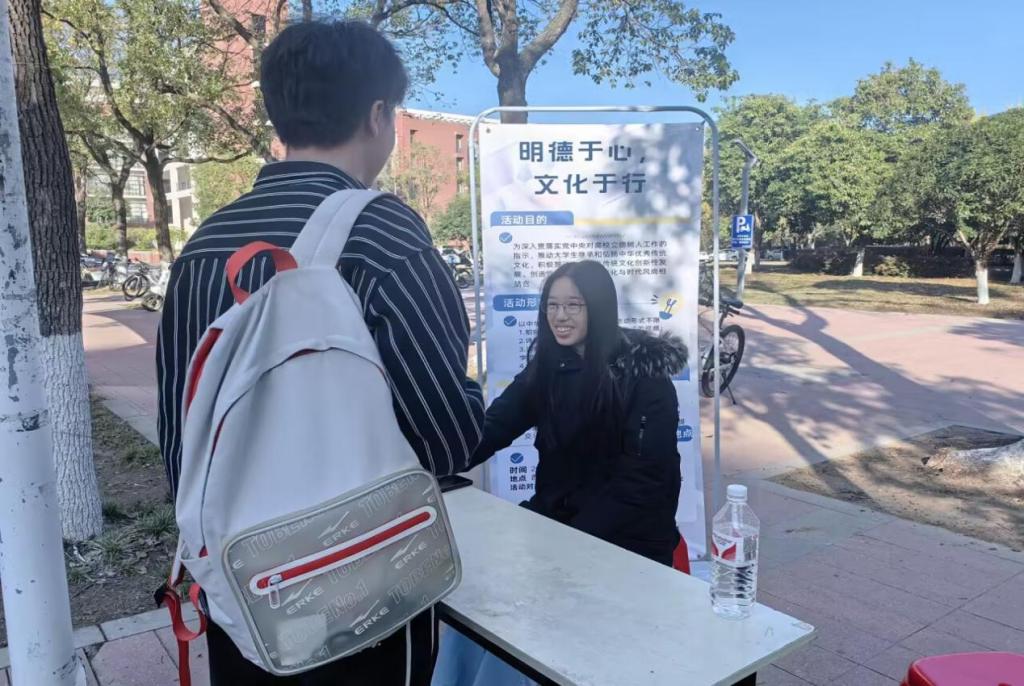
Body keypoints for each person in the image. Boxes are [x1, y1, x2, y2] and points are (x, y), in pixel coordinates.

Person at [155, 20, 485, 686]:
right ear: (377, 116)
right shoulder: (385, 235)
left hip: (240, 591)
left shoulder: (204, 244)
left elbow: (180, 440)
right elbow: (449, 439)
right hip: (360, 595)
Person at [473, 260, 686, 565]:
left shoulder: (643, 373)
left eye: (573, 305)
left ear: (598, 308)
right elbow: (497, 423)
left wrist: (573, 539)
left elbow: (644, 478)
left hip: (630, 541)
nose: (560, 316)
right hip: (560, 523)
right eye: (552, 305)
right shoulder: (548, 364)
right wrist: (442, 458)